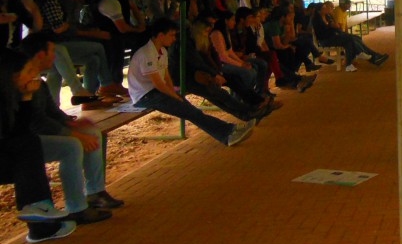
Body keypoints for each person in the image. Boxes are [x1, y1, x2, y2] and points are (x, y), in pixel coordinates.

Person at [19, 33, 122, 223]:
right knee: (72, 147)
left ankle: (95, 192)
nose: (55, 57)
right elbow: (37, 122)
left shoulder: (39, 82)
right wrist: (73, 133)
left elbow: (52, 112)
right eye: (52, 52)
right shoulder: (21, 81)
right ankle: (76, 208)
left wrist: (71, 122)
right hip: (27, 141)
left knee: (91, 132)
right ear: (41, 55)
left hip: (40, 133)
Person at [127, 18, 254, 147]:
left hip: (157, 92)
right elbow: (158, 83)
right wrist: (174, 95)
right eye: (171, 35)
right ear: (160, 35)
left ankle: (229, 130)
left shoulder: (162, 51)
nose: (174, 39)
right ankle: (227, 134)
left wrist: (173, 94)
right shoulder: (147, 54)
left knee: (191, 110)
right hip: (145, 96)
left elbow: (166, 76)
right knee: (191, 112)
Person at [0, 48, 76, 243]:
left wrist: (26, 97)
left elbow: (19, 132)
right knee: (28, 148)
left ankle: (40, 218)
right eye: (28, 72)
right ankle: (39, 220)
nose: (33, 76)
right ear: (11, 75)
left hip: (11, 155)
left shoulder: (11, 95)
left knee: (29, 145)